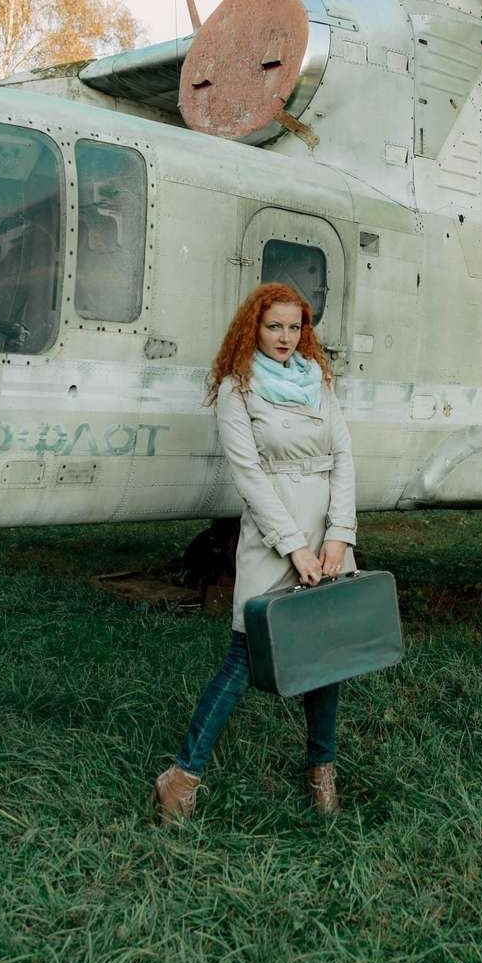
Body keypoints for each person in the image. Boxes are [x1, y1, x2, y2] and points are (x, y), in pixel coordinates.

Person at [154, 284, 357, 824]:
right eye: (274, 327)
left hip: (328, 535)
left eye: (295, 327)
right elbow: (249, 477)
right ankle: (182, 777)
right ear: (254, 328)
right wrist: (294, 548)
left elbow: (343, 458)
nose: (286, 338)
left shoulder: (319, 381)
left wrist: (339, 535)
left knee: (325, 659)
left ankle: (321, 772)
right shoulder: (236, 389)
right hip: (276, 534)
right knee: (245, 657)